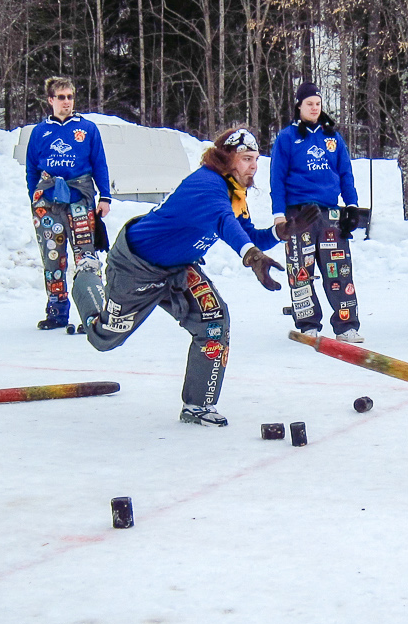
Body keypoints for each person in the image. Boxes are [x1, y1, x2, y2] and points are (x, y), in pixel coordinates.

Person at [77, 128, 285, 427]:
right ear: (226, 158)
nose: (253, 166)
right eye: (246, 158)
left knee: (214, 320)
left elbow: (246, 233)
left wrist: (279, 232)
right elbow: (223, 221)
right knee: (104, 337)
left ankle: (197, 405)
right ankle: (86, 276)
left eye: (256, 159)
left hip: (180, 267)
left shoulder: (234, 191)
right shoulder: (207, 184)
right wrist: (252, 256)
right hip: (136, 267)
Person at [269, 81, 365, 343]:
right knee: (301, 268)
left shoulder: (332, 137)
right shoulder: (287, 137)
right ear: (299, 106)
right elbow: (277, 178)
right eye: (309, 103)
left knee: (339, 269)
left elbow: (345, 173)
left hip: (329, 211)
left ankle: (346, 325)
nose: (314, 108)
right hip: (298, 212)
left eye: (318, 104)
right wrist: (279, 215)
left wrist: (352, 205)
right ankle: (308, 323)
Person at [24, 77, 111, 331]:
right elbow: (31, 168)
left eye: (70, 97)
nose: (66, 102)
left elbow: (100, 163)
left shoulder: (87, 129)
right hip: (48, 202)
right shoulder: (39, 132)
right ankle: (57, 311)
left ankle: (93, 312)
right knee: (53, 255)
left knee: (86, 256)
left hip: (80, 197)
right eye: (61, 97)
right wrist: (35, 196)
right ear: (50, 100)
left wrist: (105, 196)